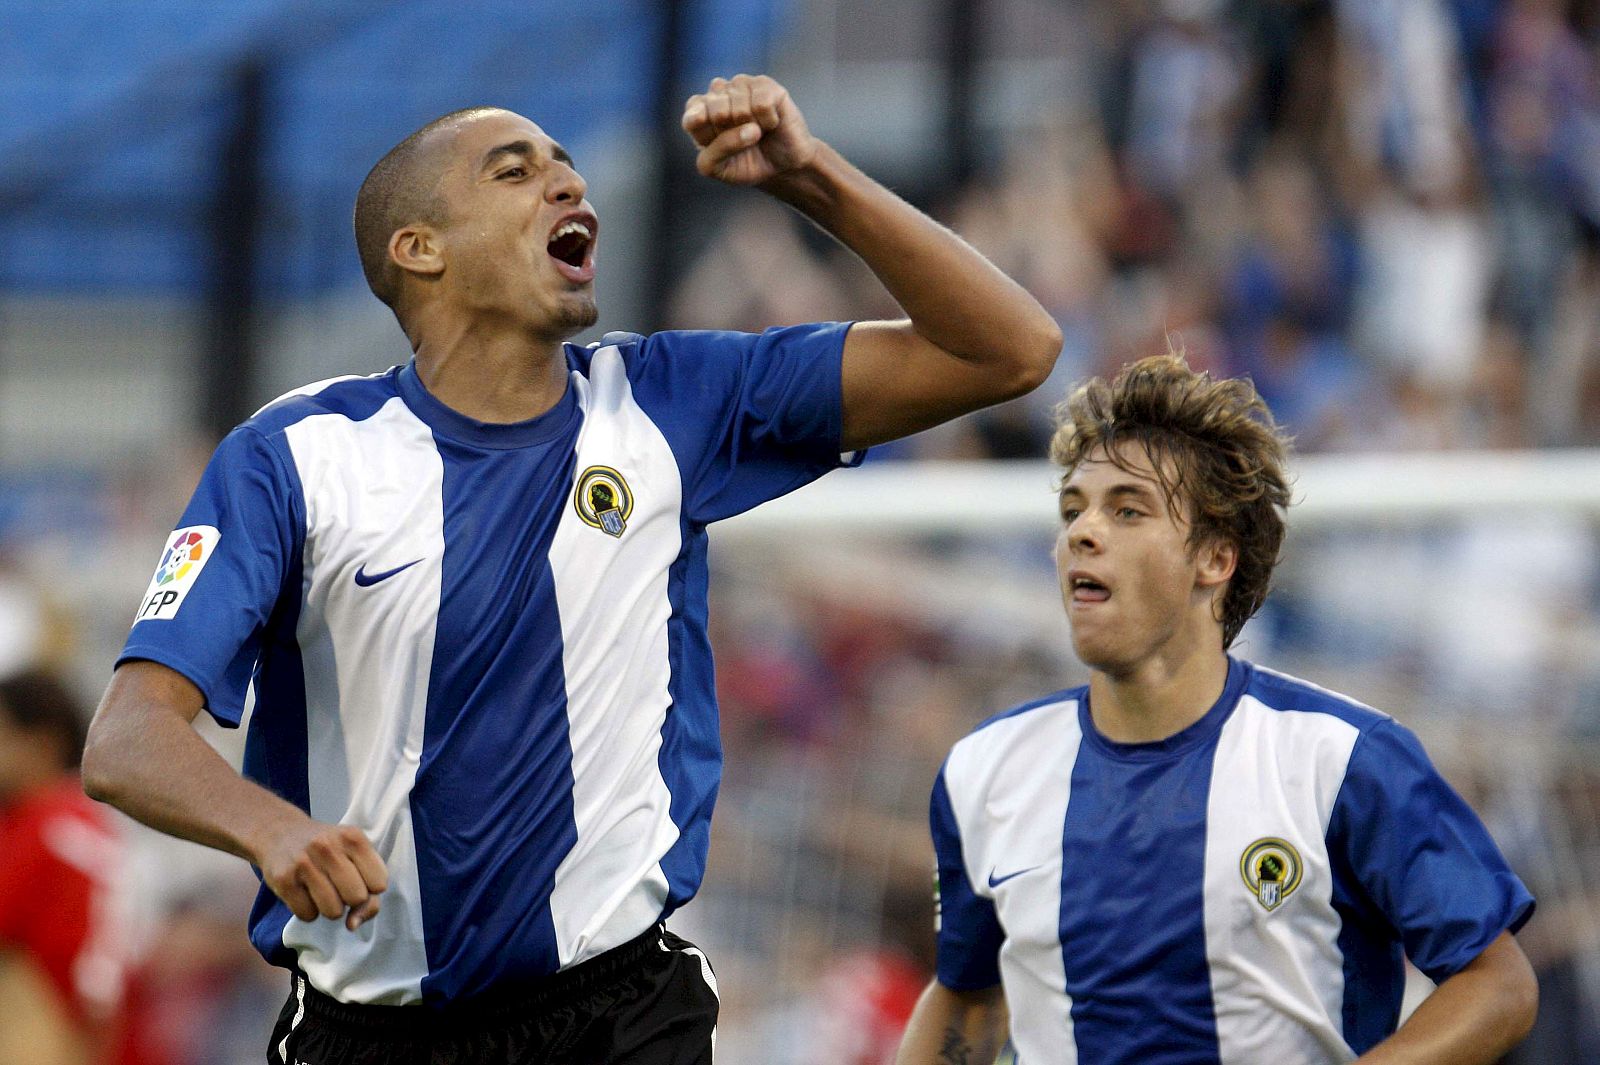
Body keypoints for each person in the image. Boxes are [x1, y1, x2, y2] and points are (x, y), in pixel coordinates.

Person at [82, 72, 1062, 1065]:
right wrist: (270, 830)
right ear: (418, 250)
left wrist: (812, 179)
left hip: (620, 1013)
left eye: (569, 167)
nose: (565, 185)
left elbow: (1009, 350)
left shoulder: (674, 401)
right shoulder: (294, 457)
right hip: (366, 1030)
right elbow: (126, 740)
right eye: (515, 171)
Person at [895, 355, 1538, 1065]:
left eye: (1127, 509)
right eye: (1072, 509)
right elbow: (969, 996)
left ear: (1215, 558)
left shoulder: (1341, 759)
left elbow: (1499, 983)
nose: (1082, 531)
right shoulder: (985, 771)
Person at [0, 669, 131, 1065]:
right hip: (92, 1026)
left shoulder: (46, 822)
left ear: (43, 742)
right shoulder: (83, 816)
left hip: (52, 1028)